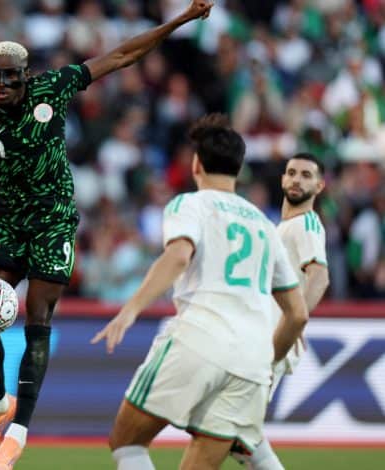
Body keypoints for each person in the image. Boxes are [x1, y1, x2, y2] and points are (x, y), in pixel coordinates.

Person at [0, 2, 215, 468]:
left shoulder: (53, 88)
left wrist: (178, 20)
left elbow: (121, 56)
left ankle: (18, 435)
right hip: (8, 221)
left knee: (37, 317)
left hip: (54, 219)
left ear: (25, 75)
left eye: (8, 77)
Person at [91, 114, 308, 470]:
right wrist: (266, 361)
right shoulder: (265, 226)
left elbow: (178, 256)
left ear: (196, 164)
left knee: (128, 442)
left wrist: (130, 309)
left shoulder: (190, 204)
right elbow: (297, 313)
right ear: (238, 169)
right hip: (252, 358)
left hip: (199, 337)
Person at [230, 153, 329, 469]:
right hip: (260, 336)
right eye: (291, 173)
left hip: (272, 340)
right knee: (238, 433)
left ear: (320, 185)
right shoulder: (282, 226)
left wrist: (296, 322)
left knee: (230, 430)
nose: (297, 179)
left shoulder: (306, 224)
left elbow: (320, 276)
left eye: (306, 175)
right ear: (283, 179)